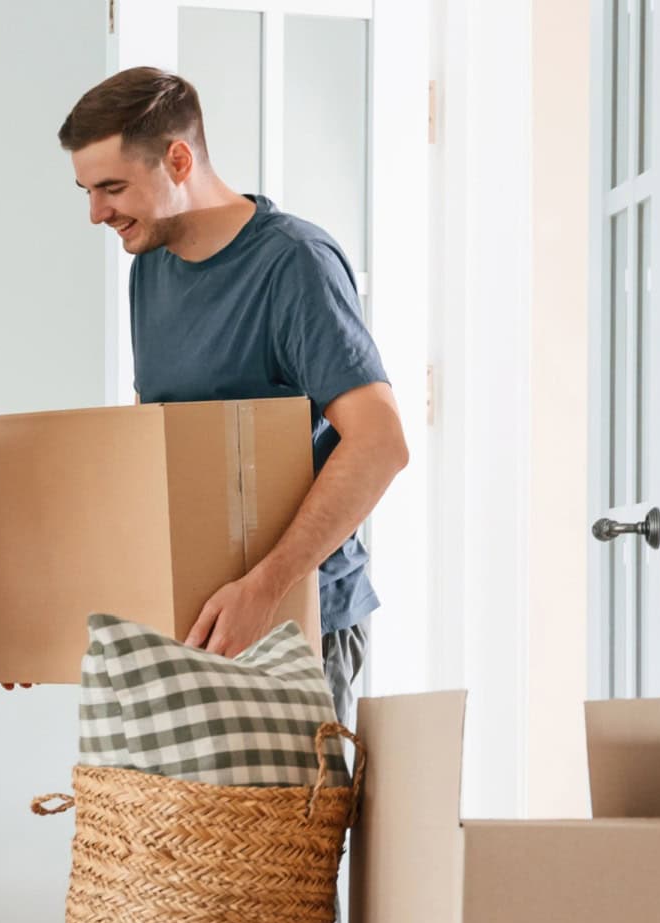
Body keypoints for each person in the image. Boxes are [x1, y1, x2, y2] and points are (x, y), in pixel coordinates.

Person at [59, 67, 409, 723]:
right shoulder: (150, 270)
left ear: (179, 159)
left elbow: (381, 443)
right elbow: (156, 457)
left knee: (285, 829)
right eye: (86, 190)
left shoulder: (293, 265)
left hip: (297, 625)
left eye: (111, 187)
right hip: (194, 627)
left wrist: (265, 590)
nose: (96, 213)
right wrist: (60, 623)